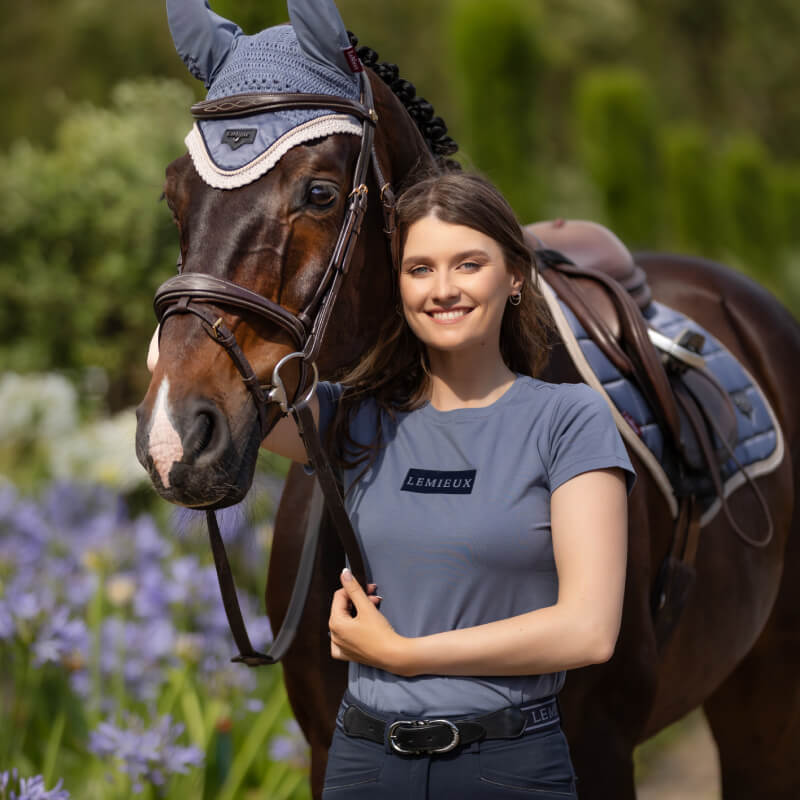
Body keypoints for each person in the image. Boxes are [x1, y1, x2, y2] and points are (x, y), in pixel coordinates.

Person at [261, 171, 635, 798]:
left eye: (468, 264)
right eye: (419, 269)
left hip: (507, 766)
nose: (443, 290)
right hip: (363, 767)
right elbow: (189, 370)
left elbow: (588, 631)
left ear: (514, 277)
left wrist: (407, 654)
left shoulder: (569, 419)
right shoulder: (353, 418)